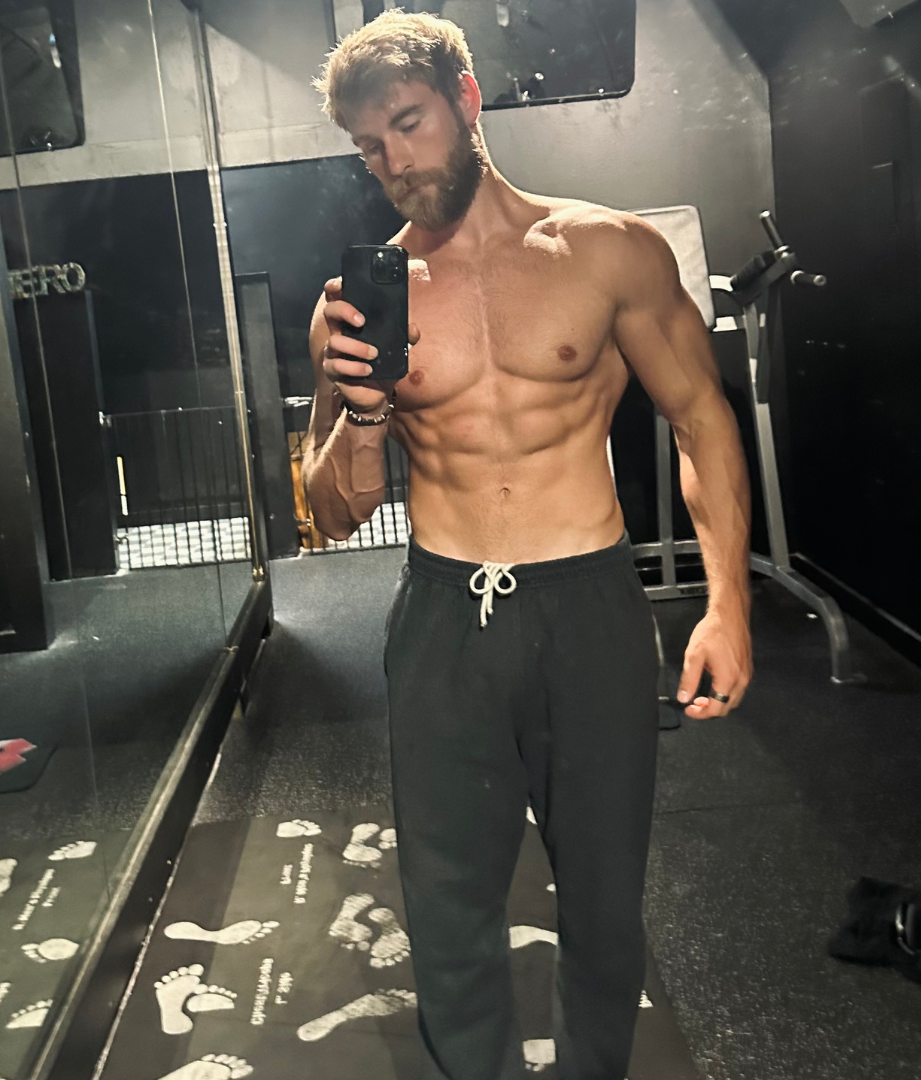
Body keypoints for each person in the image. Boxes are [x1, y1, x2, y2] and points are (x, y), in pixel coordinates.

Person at [304, 11, 752, 1079]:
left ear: (466, 100)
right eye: (369, 147)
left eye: (408, 124)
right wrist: (362, 414)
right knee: (447, 902)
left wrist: (728, 605)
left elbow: (701, 419)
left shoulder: (607, 252)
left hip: (587, 606)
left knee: (603, 893)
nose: (393, 162)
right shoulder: (359, 303)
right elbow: (330, 513)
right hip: (442, 616)